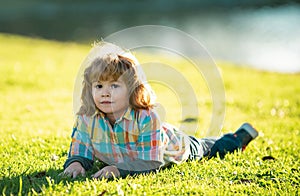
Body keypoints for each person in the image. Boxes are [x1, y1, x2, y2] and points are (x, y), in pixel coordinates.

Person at [62, 42, 258, 179]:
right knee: (208, 145)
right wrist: (76, 164)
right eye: (99, 86)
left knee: (210, 148)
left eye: (114, 86)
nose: (105, 93)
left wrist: (118, 170)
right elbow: (81, 149)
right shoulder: (87, 118)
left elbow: (151, 163)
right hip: (131, 154)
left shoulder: (146, 117)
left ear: (132, 89)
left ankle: (238, 138)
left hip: (175, 146)